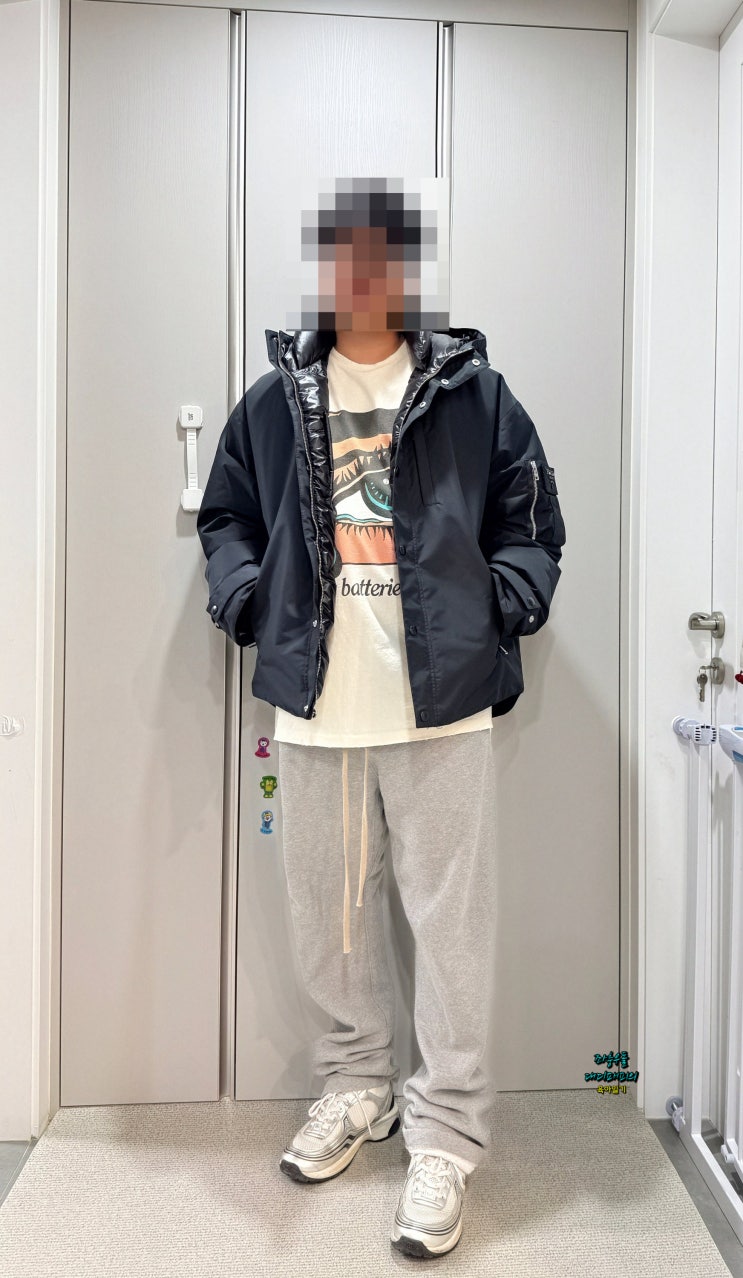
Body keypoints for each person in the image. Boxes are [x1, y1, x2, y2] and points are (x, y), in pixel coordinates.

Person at [196, 179, 566, 1258]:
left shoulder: (471, 392)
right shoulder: (275, 400)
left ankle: (445, 1133)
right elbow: (226, 516)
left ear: (408, 272)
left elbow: (531, 519)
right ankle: (358, 1086)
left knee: (451, 931)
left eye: (383, 255)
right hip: (316, 702)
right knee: (330, 920)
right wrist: (247, 601)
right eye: (343, 255)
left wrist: (499, 602)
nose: (362, 274)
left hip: (441, 704)